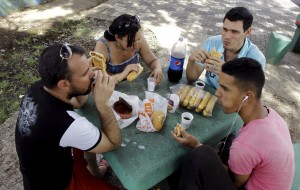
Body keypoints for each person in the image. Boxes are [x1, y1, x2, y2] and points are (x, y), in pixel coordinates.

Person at [171, 57, 294, 189]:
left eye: (225, 88)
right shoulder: (272, 115)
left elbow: (234, 183)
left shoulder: (245, 145)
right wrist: (197, 144)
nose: (217, 93)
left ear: (248, 96)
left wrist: (199, 148)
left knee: (200, 156)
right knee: (212, 151)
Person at [15, 43, 121, 190]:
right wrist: (103, 104)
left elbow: (78, 101)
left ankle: (93, 173)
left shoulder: (42, 87)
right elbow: (113, 142)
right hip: (56, 184)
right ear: (64, 84)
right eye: (85, 73)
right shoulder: (67, 124)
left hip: (45, 168)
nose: (93, 73)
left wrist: (85, 76)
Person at [186, 7, 266, 89]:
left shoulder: (256, 60)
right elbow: (191, 79)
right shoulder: (211, 43)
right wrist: (191, 61)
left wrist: (228, 75)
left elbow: (248, 95)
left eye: (234, 32)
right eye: (225, 29)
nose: (227, 36)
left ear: (247, 32)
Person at [94, 14, 163, 84]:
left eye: (139, 39)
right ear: (117, 37)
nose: (136, 45)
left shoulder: (138, 41)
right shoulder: (103, 47)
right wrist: (124, 73)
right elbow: (100, 81)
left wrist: (157, 68)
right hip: (111, 89)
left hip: (132, 86)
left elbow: (153, 61)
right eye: (131, 42)